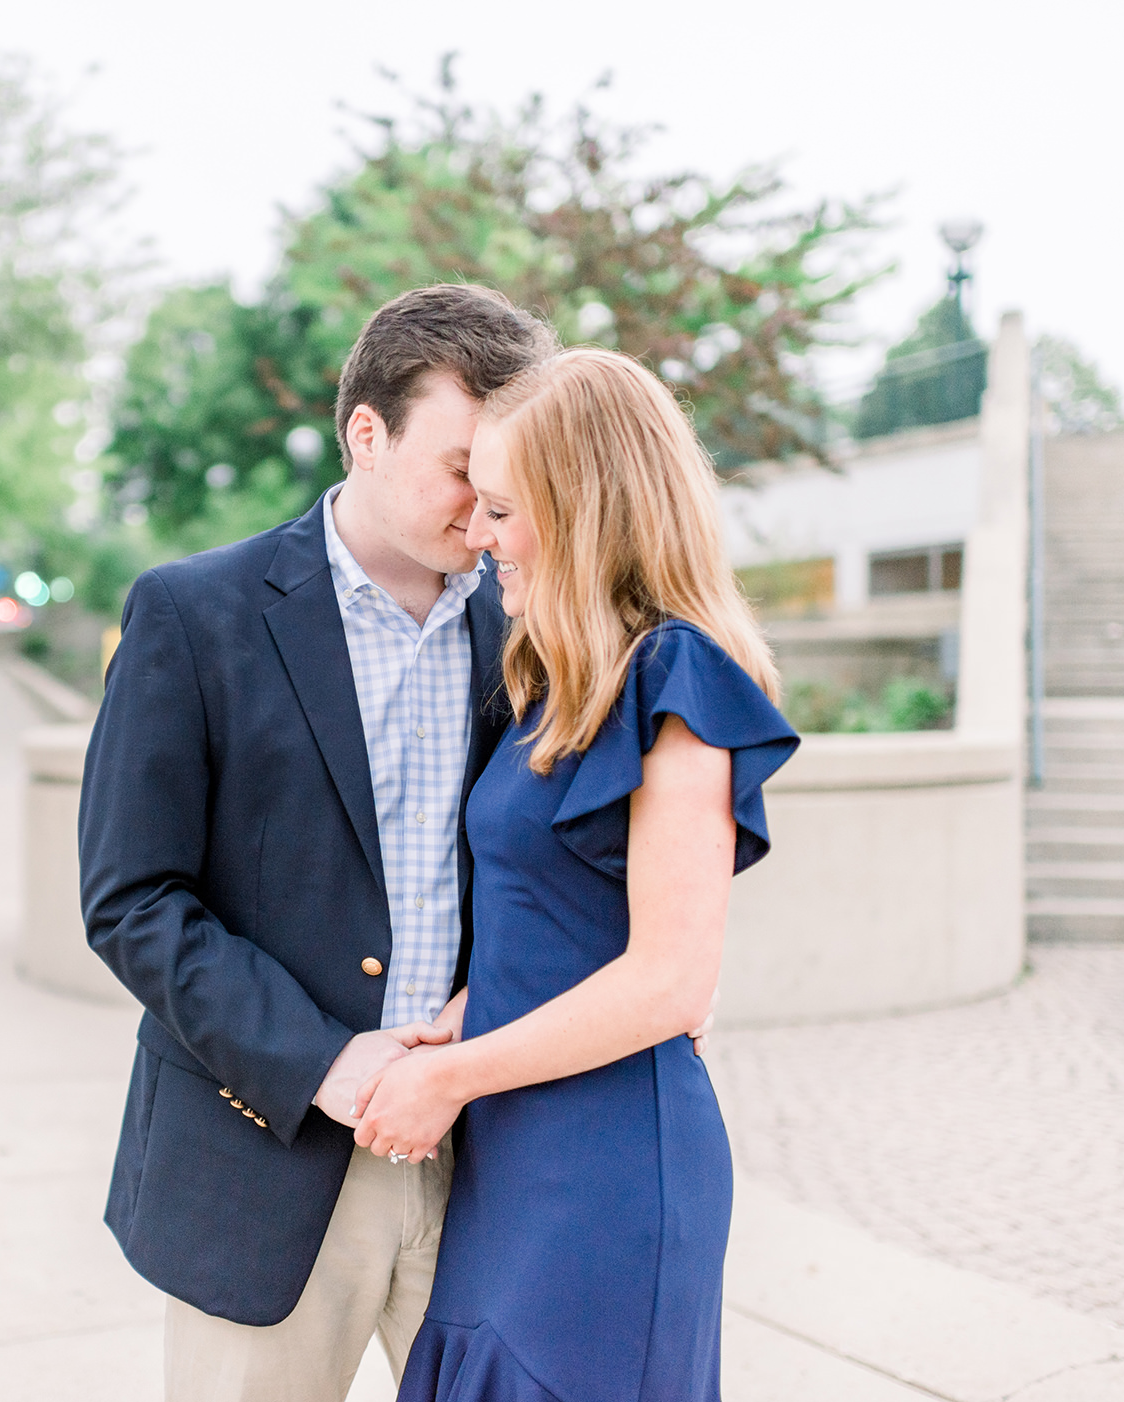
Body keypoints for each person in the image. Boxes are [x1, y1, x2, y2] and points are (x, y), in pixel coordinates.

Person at [80, 284, 558, 1401]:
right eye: (463, 466)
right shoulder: (193, 615)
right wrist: (331, 1065)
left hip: (488, 1160)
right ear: (366, 431)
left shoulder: (531, 627)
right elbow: (132, 900)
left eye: (511, 478)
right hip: (263, 1164)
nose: (488, 504)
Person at [351, 348, 801, 1402]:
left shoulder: (678, 676)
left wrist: (446, 1078)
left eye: (505, 508)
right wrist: (470, 1007)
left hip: (608, 1165)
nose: (480, 533)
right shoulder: (553, 677)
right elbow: (560, 910)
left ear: (585, 507)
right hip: (513, 1152)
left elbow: (670, 981)